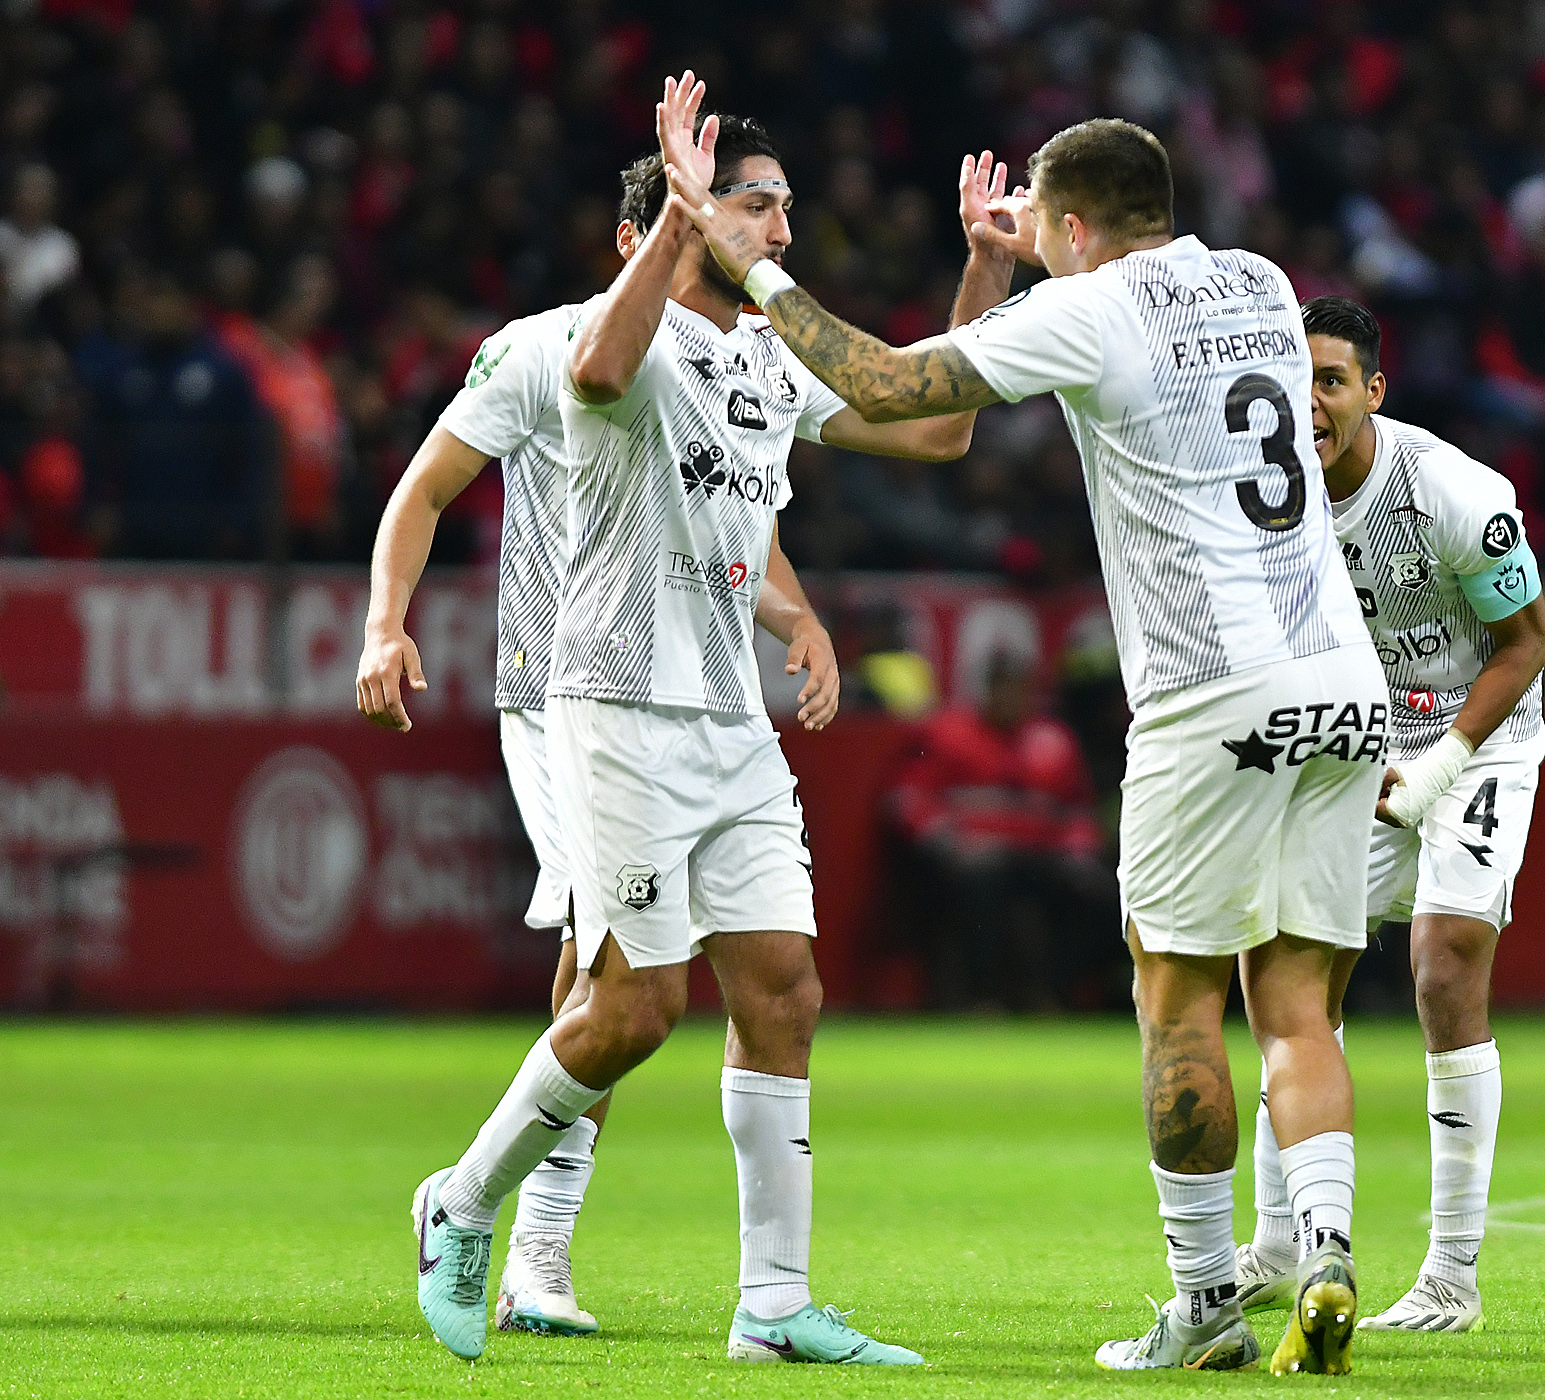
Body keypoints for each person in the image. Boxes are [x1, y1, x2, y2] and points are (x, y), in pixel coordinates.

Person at [676, 109, 1385, 1375]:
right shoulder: (1261, 283)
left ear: (1069, 227)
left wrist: (758, 267)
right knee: (1295, 1001)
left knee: (1177, 1007)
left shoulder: (1094, 311)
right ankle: (1324, 1244)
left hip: (1210, 693)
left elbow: (895, 385)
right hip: (1342, 682)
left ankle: (1208, 1301)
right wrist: (1009, 261)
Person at [404, 74, 1011, 1365]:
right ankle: (458, 1202)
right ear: (691, 213)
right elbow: (598, 369)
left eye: (786, 208)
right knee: (634, 1009)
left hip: (730, 722)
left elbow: (941, 426)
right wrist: (681, 222)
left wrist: (984, 275)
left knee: (784, 992)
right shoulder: (602, 338)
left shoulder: (767, 359)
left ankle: (774, 1304)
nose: (785, 231)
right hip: (615, 705)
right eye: (759, 206)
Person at [1233, 297, 1545, 1336]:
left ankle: (1452, 1274)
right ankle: (1280, 1242)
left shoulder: (1456, 491)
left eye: (1331, 380)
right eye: (1295, 379)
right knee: (1293, 970)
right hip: (1357, 746)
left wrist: (1441, 761)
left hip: (1480, 737)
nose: (1309, 401)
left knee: (1445, 961)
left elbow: (1528, 640)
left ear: (1374, 390)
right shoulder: (1261, 497)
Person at [886, 646, 1109, 1010]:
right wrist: (948, 845)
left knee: (1096, 895)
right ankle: (984, 998)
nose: (1011, 698)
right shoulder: (949, 734)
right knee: (983, 882)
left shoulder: (1053, 740)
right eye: (1002, 688)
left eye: (1020, 688)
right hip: (974, 857)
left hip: (1041, 857)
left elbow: (1079, 811)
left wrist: (1080, 850)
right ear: (987, 690)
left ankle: (1054, 996)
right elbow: (908, 800)